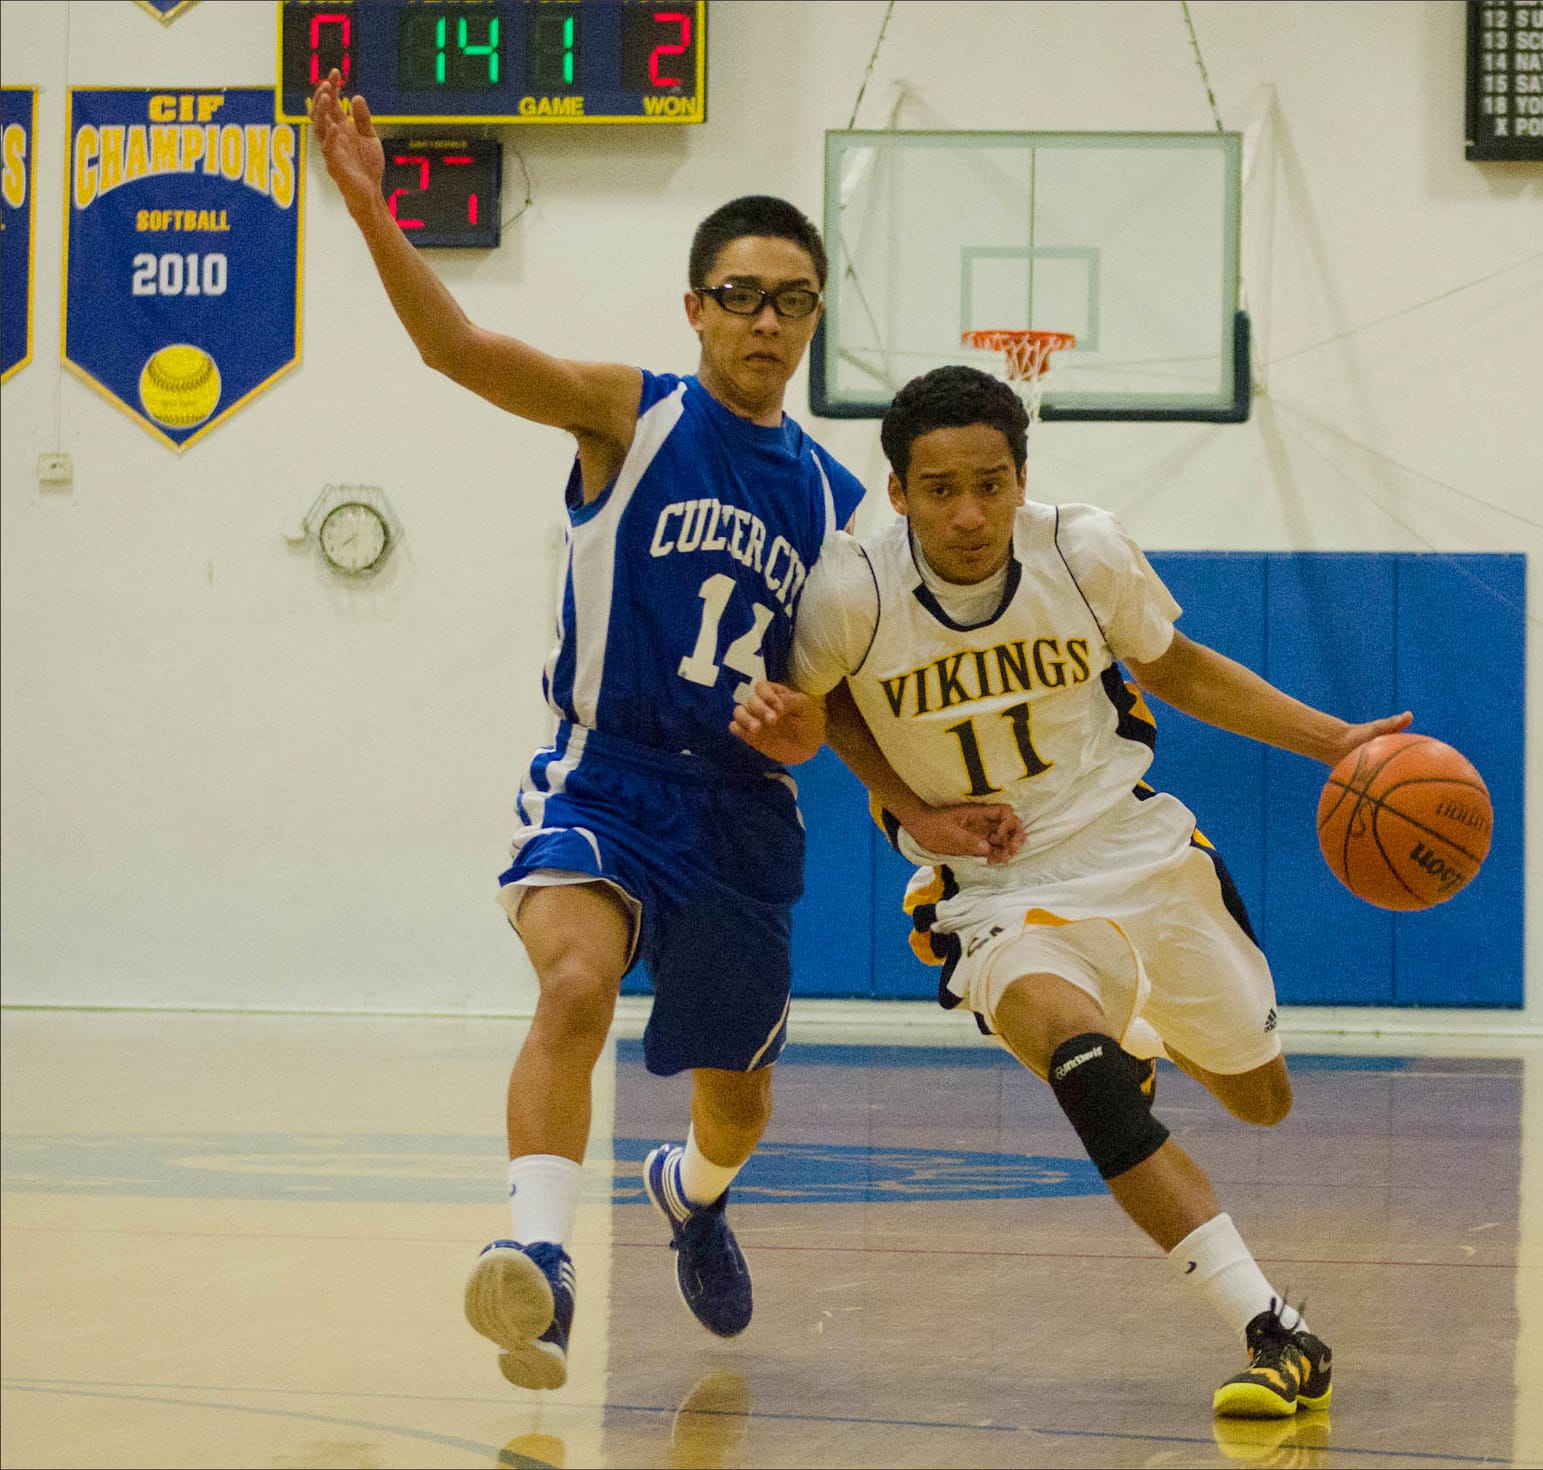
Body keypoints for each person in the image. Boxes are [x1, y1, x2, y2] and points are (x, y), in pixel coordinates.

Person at [308, 78, 1015, 1390]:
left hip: (745, 815)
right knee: (573, 981)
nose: (764, 318)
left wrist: (878, 784)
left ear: (812, 320)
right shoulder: (625, 415)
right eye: (739, 293)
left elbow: (843, 695)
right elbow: (458, 350)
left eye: (790, 298)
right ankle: (542, 1264)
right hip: (608, 777)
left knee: (734, 1094)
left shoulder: (836, 500)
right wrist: (369, 210)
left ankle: (690, 1189)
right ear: (695, 307)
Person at [733, 366, 1413, 1419]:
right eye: (941, 486)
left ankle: (1141, 1027)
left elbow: (1176, 668)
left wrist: (1335, 742)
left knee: (1259, 1098)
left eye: (991, 483)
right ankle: (1272, 1328)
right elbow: (826, 712)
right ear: (899, 489)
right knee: (1081, 1065)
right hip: (992, 886)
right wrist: (911, 809)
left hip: (1134, 849)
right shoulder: (848, 591)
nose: (968, 512)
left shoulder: (1081, 550)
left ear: (1020, 480)